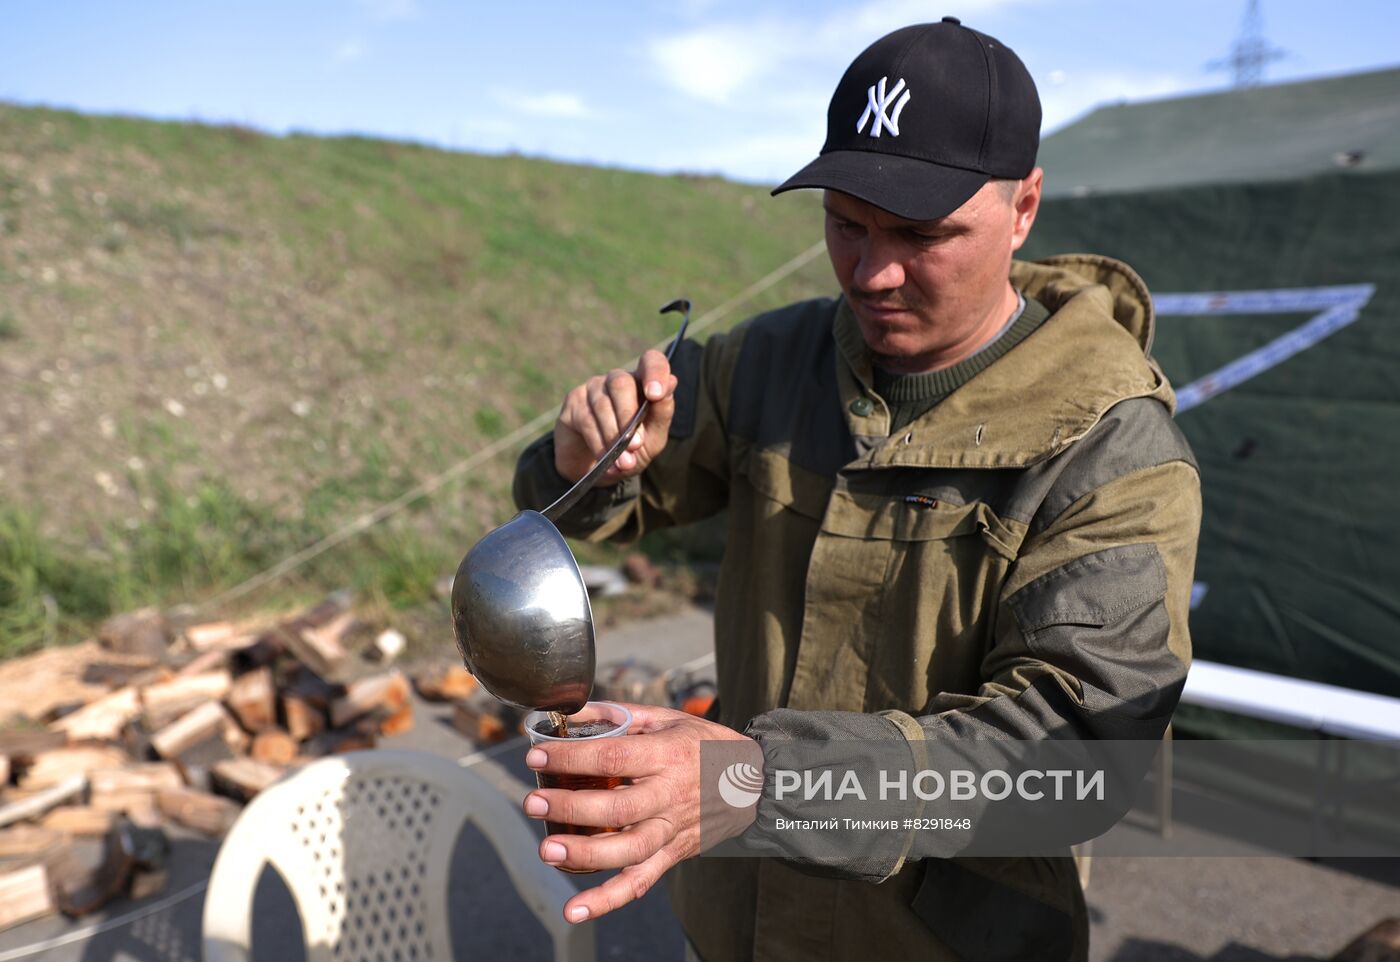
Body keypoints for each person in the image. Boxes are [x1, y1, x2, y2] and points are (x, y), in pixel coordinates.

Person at [512, 18, 1201, 962]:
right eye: (846, 224)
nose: (873, 273)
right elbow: (598, 501)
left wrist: (758, 781)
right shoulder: (771, 358)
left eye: (923, 234)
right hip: (735, 928)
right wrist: (582, 457)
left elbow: (1077, 753)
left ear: (1025, 205)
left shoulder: (1114, 445)